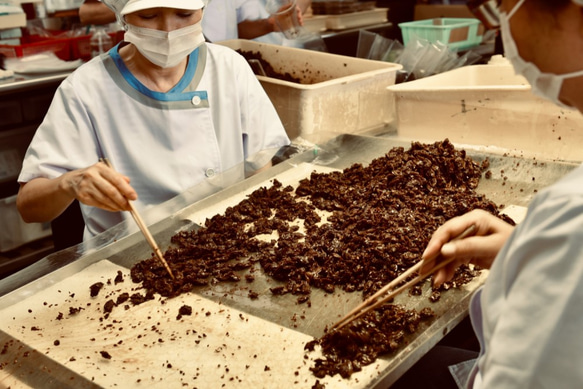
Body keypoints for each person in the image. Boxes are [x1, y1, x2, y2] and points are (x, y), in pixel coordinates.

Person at [392, 0, 583, 388]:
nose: (505, 41)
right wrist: (521, 248)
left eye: (501, 12)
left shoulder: (570, 219)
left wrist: (549, 250)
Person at [17, 0, 290, 241]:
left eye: (184, 14)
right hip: (123, 266)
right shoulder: (86, 88)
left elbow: (262, 172)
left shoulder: (230, 68)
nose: (168, 30)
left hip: (225, 250)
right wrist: (69, 183)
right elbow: (29, 206)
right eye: (148, 16)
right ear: (122, 14)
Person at [77, 0, 304, 43]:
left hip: (217, 67)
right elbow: (87, 13)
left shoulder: (232, 72)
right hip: (152, 63)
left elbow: (237, 26)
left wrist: (270, 24)